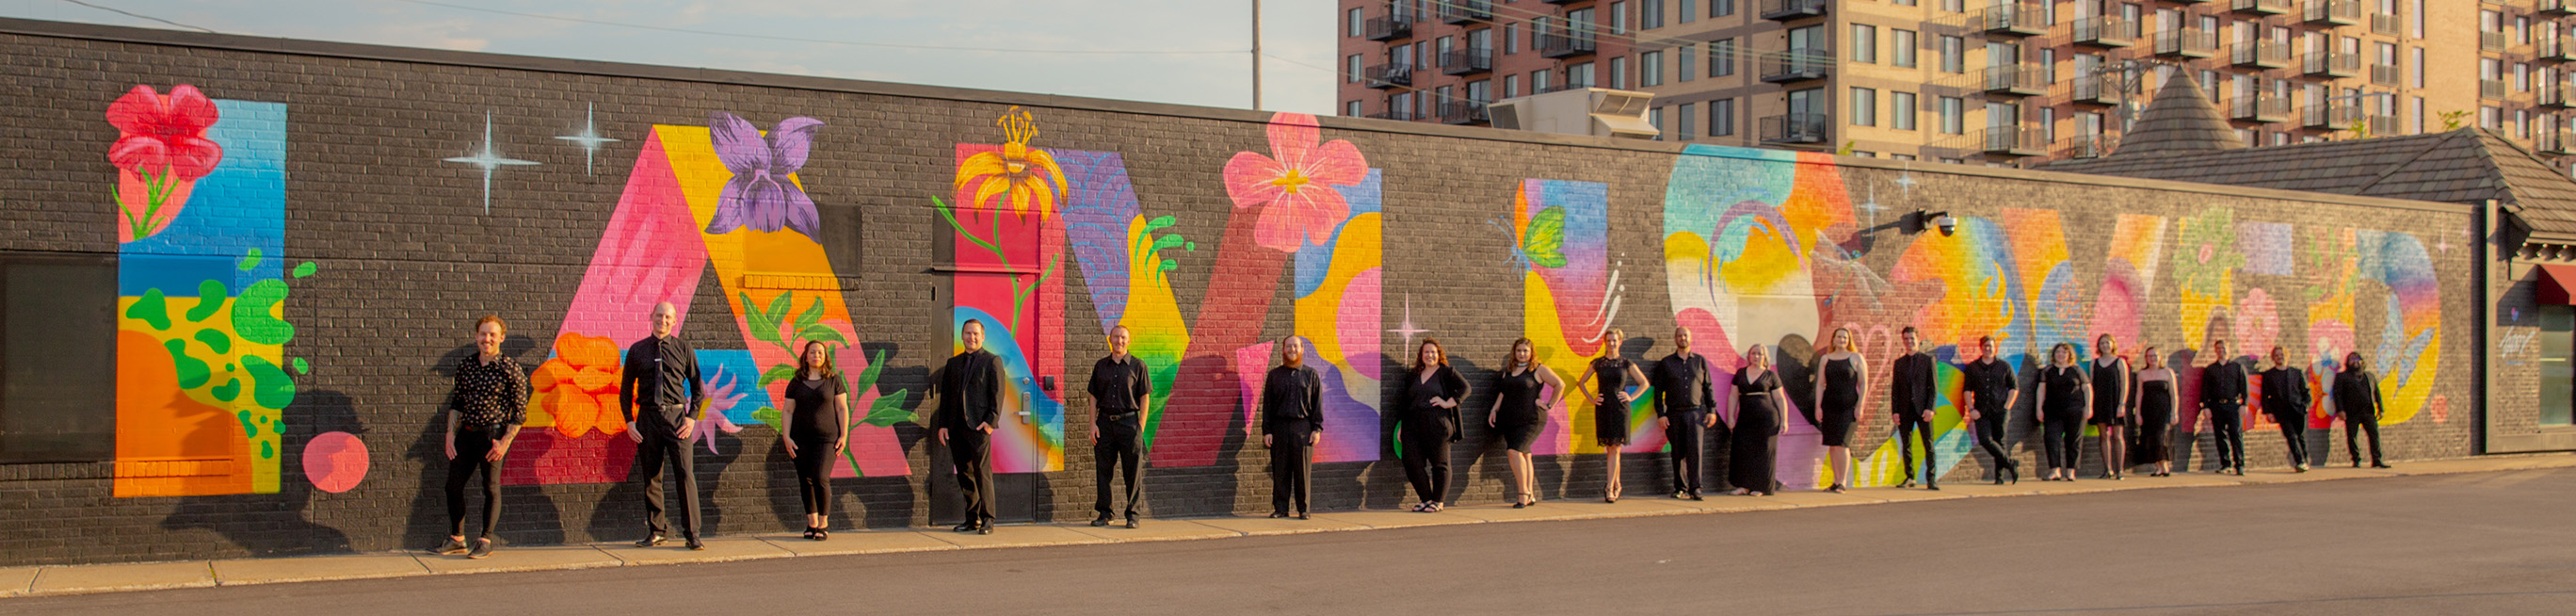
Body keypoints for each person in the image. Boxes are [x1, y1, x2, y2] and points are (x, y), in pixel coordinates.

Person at [437, 315, 527, 559]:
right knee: (453, 486)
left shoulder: (511, 368)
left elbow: (519, 413)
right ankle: (457, 539)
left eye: (492, 335)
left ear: (501, 338)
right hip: (466, 435)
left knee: (490, 488)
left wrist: (504, 442)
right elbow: (457, 402)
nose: (487, 339)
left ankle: (485, 539)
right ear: (476, 336)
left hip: (493, 437)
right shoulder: (466, 365)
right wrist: (449, 434)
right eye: (483, 334)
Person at [620, 302, 707, 550]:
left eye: (668, 316)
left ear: (674, 320)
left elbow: (698, 387)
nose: (663, 320)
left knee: (685, 475)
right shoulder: (637, 351)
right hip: (647, 419)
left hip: (678, 420)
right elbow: (626, 390)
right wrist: (629, 421)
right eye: (659, 315)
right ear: (652, 317)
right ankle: (657, 531)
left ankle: (692, 534)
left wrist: (691, 418)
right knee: (651, 477)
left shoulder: (683, 348)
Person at [935, 319, 1005, 535]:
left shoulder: (992, 361)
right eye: (967, 333)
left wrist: (991, 423)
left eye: (975, 334)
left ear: (982, 337)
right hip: (956, 428)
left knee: (982, 473)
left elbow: (998, 393)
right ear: (962, 335)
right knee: (964, 474)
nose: (971, 337)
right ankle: (971, 518)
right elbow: (946, 397)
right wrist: (943, 425)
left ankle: (988, 519)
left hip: (979, 428)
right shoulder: (953, 363)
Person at [780, 340, 849, 541]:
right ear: (806, 356)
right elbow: (788, 410)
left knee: (820, 477)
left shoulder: (834, 380)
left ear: (825, 357)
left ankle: (823, 523)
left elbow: (842, 408)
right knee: (805, 479)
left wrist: (844, 435)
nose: (816, 355)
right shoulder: (796, 382)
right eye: (812, 352)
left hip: (827, 438)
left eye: (820, 352)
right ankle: (811, 523)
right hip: (800, 439)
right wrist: (786, 436)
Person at [1488, 337, 1566, 508]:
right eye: (1519, 350)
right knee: (1524, 455)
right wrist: (1494, 410)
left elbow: (1560, 384)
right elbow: (1503, 393)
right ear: (1514, 353)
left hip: (1531, 419)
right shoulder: (1508, 371)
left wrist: (1549, 404)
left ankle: (1523, 493)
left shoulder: (1538, 369)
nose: (1522, 354)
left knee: (1514, 451)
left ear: (1531, 353)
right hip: (1510, 419)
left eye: (1525, 351)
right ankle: (1529, 493)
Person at [1087, 326, 1152, 528]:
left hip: (1129, 423)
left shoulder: (1138, 366)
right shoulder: (1100, 366)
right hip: (1104, 424)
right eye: (1116, 337)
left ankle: (1133, 515)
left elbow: (1144, 397)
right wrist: (1092, 424)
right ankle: (1105, 513)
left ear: (1129, 341)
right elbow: (1093, 397)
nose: (1120, 341)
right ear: (1110, 339)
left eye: (1123, 337)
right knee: (1104, 471)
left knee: (1132, 472)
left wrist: (1140, 425)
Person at [1570, 329, 1646, 503]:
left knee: (1615, 448)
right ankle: (1617, 484)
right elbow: (1581, 382)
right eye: (1609, 340)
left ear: (1620, 342)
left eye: (1615, 340)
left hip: (1621, 409)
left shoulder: (1626, 363)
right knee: (1611, 449)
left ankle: (1609, 487)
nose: (1611, 343)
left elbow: (1644, 383)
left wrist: (1631, 397)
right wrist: (1591, 399)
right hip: (1604, 408)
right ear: (1605, 342)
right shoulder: (1598, 363)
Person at [1400, 338, 1469, 512]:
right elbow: (1405, 402)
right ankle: (1426, 499)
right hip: (1412, 423)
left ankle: (1438, 501)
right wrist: (1402, 425)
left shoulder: (1446, 372)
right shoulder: (1414, 375)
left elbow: (1466, 388)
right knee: (1411, 461)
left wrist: (1448, 403)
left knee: (1440, 463)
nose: (1430, 355)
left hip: (1437, 422)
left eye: (1433, 352)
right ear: (1421, 356)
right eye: (1426, 352)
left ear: (1439, 355)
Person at [1260, 336, 1325, 519]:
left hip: (1303, 428)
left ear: (1302, 349)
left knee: (1302, 471)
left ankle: (1303, 509)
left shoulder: (1311, 375)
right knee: (1280, 470)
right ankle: (1281, 508)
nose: (1292, 349)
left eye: (1296, 346)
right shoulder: (1274, 375)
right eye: (1289, 346)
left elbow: (1317, 404)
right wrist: (1267, 430)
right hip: (1279, 427)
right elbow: (1268, 406)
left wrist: (1317, 429)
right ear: (1283, 349)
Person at [1650, 327, 1718, 500]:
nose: (1683, 338)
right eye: (1680, 335)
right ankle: (1680, 487)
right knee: (1677, 452)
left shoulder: (1700, 362)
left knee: (1695, 452)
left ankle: (1695, 488)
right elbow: (1658, 391)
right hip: (1674, 414)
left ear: (1691, 338)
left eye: (1685, 335)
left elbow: (1708, 388)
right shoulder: (1666, 363)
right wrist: (1661, 414)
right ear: (1675, 339)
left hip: (1696, 414)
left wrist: (1711, 410)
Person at [1810, 327, 1868, 493]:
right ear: (1833, 339)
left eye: (1845, 337)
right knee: (1833, 445)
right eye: (1839, 337)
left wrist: (1860, 405)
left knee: (1842, 444)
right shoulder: (1825, 359)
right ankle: (1835, 481)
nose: (1842, 340)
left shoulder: (1856, 357)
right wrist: (1818, 407)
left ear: (1849, 340)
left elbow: (1863, 383)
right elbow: (1820, 384)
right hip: (1829, 406)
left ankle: (1842, 481)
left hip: (1848, 408)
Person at [1726, 345, 1789, 496]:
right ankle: (1744, 486)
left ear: (1765, 357)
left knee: (1763, 452)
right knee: (1743, 450)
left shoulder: (1770, 376)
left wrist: (1784, 420)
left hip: (1767, 420)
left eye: (1760, 354)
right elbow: (1733, 396)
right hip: (1745, 419)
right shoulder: (1740, 374)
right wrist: (1730, 417)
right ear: (1749, 356)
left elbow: (1780, 399)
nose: (1756, 356)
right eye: (1753, 353)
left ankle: (1760, 487)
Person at [1959, 335, 2020, 485]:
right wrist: (1971, 409)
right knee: (1985, 439)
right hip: (1981, 412)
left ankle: (1999, 478)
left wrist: (2007, 406)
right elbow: (1967, 390)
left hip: (2000, 410)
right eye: (1985, 346)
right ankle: (2010, 463)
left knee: (2000, 442)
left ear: (1995, 348)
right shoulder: (1973, 367)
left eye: (1990, 346)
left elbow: (2014, 387)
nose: (1988, 349)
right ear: (1981, 348)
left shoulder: (2004, 366)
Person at [1888, 327, 1938, 490]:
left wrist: (1930, 408)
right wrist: (1895, 411)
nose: (1909, 342)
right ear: (1903, 340)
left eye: (1912, 338)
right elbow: (1895, 389)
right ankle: (1910, 476)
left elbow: (1933, 388)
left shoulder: (1927, 360)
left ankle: (1931, 478)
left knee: (1928, 444)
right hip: (1905, 410)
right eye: (1906, 339)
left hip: (1923, 409)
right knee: (1906, 444)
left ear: (1918, 339)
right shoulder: (1899, 363)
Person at [2035, 343, 2090, 482]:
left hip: (2075, 410)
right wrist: (2038, 408)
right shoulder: (2047, 371)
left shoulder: (2077, 370)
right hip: (2052, 411)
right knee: (2051, 439)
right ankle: (2055, 470)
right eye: (2058, 352)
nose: (2061, 355)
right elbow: (2041, 390)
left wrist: (2089, 407)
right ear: (2053, 355)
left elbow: (2087, 389)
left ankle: (2071, 471)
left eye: (2064, 352)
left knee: (2073, 440)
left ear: (2069, 355)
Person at [2332, 352, 2391, 469]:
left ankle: (2376, 460)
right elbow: (2337, 394)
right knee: (2352, 436)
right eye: (2352, 359)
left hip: (2368, 411)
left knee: (2374, 435)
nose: (2355, 361)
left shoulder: (2369, 376)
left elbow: (2377, 393)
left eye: (2358, 359)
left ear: (2362, 362)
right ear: (2347, 362)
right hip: (2351, 412)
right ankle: (2356, 460)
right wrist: (2340, 410)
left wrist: (2381, 409)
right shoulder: (2342, 377)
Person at [2199, 339, 2250, 476]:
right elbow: (2205, 390)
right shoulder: (2210, 369)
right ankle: (2225, 464)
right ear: (2215, 351)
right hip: (2216, 405)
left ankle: (2239, 465)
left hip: (2233, 405)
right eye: (2218, 348)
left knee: (2235, 435)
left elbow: (2244, 388)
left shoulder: (2237, 367)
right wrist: (2206, 407)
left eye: (2223, 348)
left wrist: (2244, 404)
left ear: (2229, 349)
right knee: (2220, 436)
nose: (2221, 351)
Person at [2260, 346, 2313, 472]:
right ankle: (2299, 461)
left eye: (2282, 354)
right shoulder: (2269, 375)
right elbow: (2265, 396)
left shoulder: (2296, 372)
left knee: (2300, 436)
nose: (2280, 357)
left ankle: (2305, 459)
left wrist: (2306, 405)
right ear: (2273, 358)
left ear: (2287, 356)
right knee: (2291, 436)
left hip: (2298, 410)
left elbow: (2305, 391)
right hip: (2281, 411)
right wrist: (2268, 412)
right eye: (2277, 355)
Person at [2089, 334, 2135, 479]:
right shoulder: (2094, 363)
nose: (2105, 345)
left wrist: (2122, 404)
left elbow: (2124, 384)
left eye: (2107, 343)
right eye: (2102, 343)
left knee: (2117, 436)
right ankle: (2107, 469)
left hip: (2115, 403)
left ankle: (2120, 470)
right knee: (2103, 436)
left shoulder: (2119, 362)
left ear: (2113, 345)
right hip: (2099, 403)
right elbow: (2091, 384)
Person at [2133, 348, 2178, 478]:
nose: (2152, 358)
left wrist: (2174, 412)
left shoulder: (2168, 372)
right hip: (2148, 411)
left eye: (2155, 356)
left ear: (2160, 357)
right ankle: (2158, 467)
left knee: (2161, 438)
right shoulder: (2142, 374)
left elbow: (2174, 395)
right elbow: (2139, 395)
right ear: (2146, 358)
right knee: (2150, 438)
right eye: (2149, 356)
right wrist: (2138, 413)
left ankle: (2164, 465)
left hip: (2163, 411)